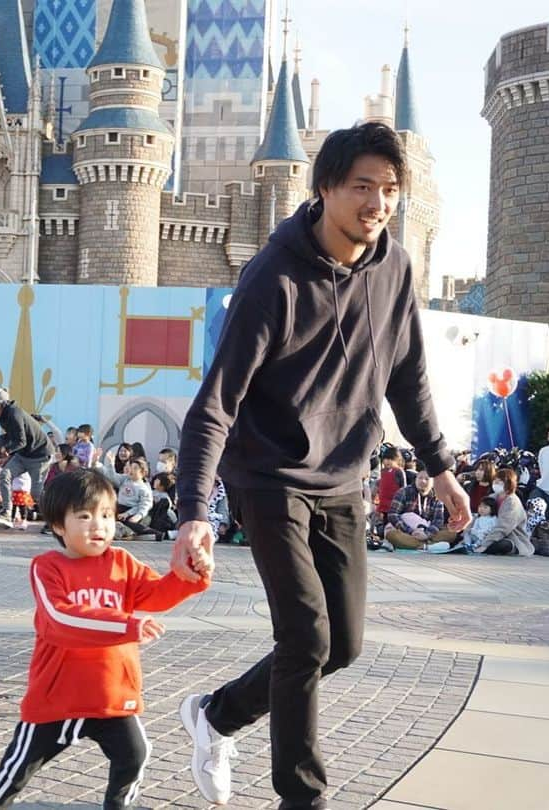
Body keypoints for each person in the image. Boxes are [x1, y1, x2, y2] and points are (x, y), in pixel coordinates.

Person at [171, 122, 471, 809]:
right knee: (305, 637)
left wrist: (441, 467)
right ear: (325, 188)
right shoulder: (271, 277)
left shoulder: (394, 267)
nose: (378, 202)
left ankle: (216, 715)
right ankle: (302, 800)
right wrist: (193, 514)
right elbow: (216, 402)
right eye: (362, 186)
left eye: (390, 189)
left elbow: (408, 376)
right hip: (268, 476)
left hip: (343, 477)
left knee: (342, 646)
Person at [0, 469, 210, 810]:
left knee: (135, 755)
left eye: (106, 515)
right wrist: (126, 626)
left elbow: (158, 593)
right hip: (57, 699)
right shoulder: (48, 567)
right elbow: (61, 619)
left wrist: (192, 573)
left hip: (110, 696)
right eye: (84, 516)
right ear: (58, 525)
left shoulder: (122, 563)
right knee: (17, 770)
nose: (98, 525)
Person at [0, 388, 51, 526]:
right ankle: (6, 512)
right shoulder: (0, 416)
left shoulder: (15, 414)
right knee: (5, 475)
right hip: (23, 454)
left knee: (36, 494)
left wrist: (7, 450)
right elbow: (8, 436)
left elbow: (21, 441)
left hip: (40, 455)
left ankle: (55, 520)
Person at [384, 471, 459, 550]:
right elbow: (393, 514)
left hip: (427, 530)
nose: (423, 481)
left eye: (427, 479)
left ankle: (418, 545)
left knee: (451, 533)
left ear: (433, 482)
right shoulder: (404, 492)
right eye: (420, 478)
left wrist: (427, 534)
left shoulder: (438, 496)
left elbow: (438, 520)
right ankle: (427, 546)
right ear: (415, 479)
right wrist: (411, 531)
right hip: (406, 531)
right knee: (392, 535)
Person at [475, 468, 531, 556]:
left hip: (511, 536)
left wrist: (486, 543)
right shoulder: (492, 497)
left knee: (504, 545)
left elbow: (504, 527)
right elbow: (479, 514)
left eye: (500, 481)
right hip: (487, 531)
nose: (496, 484)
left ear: (508, 483)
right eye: (495, 481)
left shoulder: (512, 502)